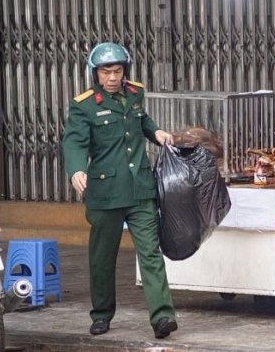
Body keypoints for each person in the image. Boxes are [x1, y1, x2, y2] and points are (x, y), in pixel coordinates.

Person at [62, 42, 178, 338]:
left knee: (150, 253)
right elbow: (74, 142)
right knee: (102, 258)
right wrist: (76, 169)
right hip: (105, 192)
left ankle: (162, 317)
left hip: (140, 188)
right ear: (95, 74)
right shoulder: (84, 104)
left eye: (117, 70)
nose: (113, 77)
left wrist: (157, 133)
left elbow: (142, 122)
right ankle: (101, 314)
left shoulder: (135, 93)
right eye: (106, 72)